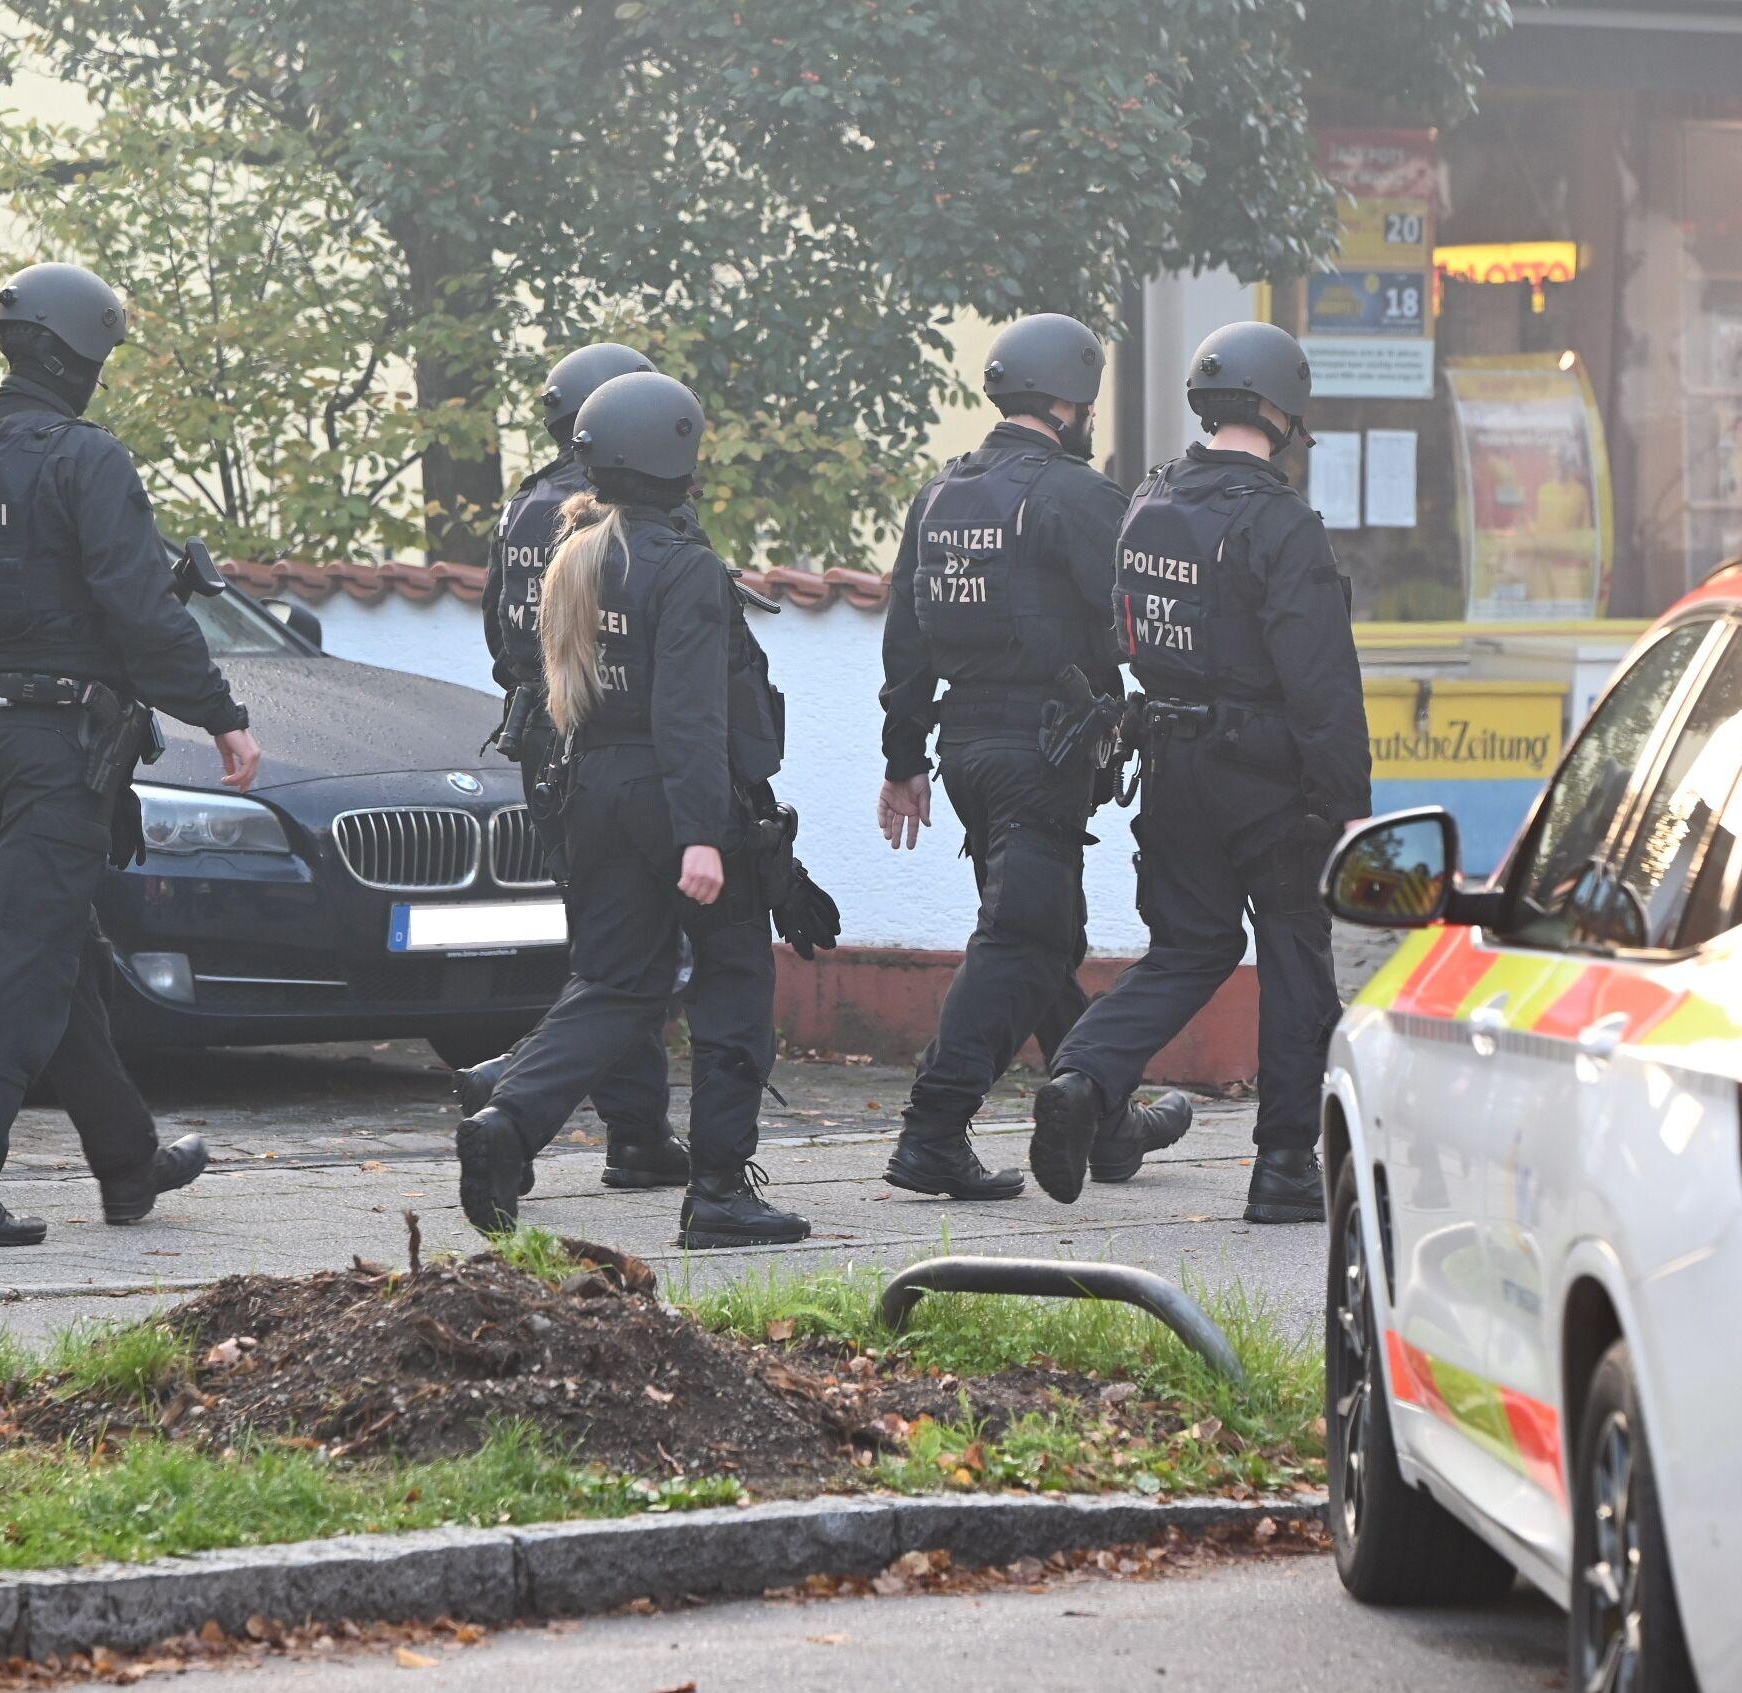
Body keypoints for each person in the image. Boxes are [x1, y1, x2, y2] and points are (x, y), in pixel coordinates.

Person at [455, 371, 810, 1249]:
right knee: (734, 985)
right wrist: (702, 835)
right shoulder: (684, 568)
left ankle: (508, 1122)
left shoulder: (580, 552)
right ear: (677, 455)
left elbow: (561, 688)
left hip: (595, 791)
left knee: (615, 983)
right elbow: (690, 714)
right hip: (676, 798)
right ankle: (722, 1193)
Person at [1030, 322, 1371, 1224]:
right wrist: (1346, 806)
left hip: (1171, 760)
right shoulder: (1283, 524)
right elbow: (1323, 686)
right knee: (1297, 959)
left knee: (1190, 946)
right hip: (1269, 778)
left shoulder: (1147, 501)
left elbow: (1125, 627)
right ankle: (1286, 1168)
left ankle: (1082, 1076)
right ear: (1280, 411)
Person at [0, 262, 255, 1245]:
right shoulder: (87, 460)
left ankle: (129, 1162)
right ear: (78, 356)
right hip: (59, 745)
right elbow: (142, 612)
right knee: (22, 951)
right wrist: (222, 713)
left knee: (58, 947)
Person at [877, 314, 1194, 1201]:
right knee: (1021, 937)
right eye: (1087, 403)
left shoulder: (941, 497)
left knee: (1047, 932)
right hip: (1040, 755)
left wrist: (905, 760)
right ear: (1066, 401)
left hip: (967, 752)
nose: (1091, 418)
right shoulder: (1072, 495)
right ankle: (932, 1132)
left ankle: (1108, 1122)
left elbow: (906, 641)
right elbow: (1141, 620)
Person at [457, 341, 691, 1193]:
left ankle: (635, 1133)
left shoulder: (523, 511)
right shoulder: (616, 514)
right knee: (632, 954)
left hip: (539, 741)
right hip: (618, 745)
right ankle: (526, 1090)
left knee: (604, 942)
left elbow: (497, 632)